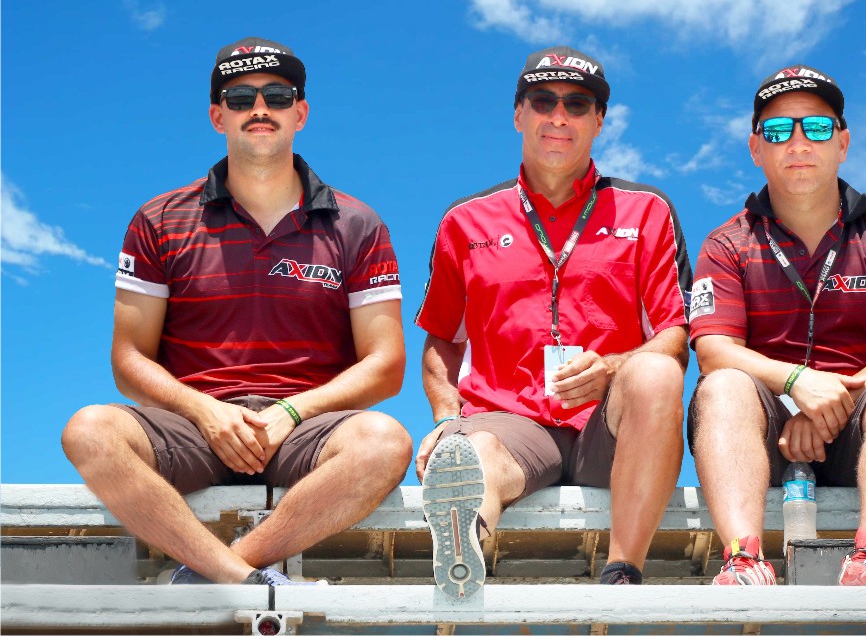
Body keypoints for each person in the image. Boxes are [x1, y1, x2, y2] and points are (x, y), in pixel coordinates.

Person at [61, 37, 412, 586]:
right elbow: (128, 359)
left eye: (277, 96)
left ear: (300, 113)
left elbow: (386, 365)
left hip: (304, 427)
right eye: (241, 98)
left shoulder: (357, 224)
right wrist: (204, 410)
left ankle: (214, 573)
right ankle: (239, 579)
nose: (259, 109)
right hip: (192, 427)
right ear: (217, 116)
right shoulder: (158, 220)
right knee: (89, 431)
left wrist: (290, 412)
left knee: (385, 442)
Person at [414, 46, 692, 598]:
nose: (559, 116)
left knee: (658, 372)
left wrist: (611, 367)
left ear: (599, 120)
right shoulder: (465, 221)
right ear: (519, 114)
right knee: (474, 456)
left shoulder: (647, 211)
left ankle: (622, 571)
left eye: (577, 103)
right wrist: (446, 418)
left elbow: (675, 336)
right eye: (543, 101)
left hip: (609, 427)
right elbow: (442, 339)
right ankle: (463, 553)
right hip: (509, 423)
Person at [687, 64, 866, 586]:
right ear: (756, 149)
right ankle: (743, 562)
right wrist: (795, 383)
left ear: (842, 144)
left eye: (818, 127)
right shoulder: (726, 243)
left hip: (863, 427)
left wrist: (829, 403)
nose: (799, 142)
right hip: (763, 435)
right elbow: (714, 350)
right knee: (722, 386)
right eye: (778, 130)